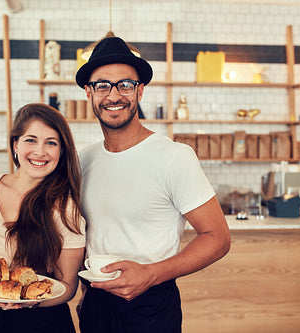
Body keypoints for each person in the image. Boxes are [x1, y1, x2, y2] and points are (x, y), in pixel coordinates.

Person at [75, 37, 231, 333]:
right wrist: (84, 293)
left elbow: (218, 237)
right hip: (96, 303)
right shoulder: (85, 159)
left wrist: (152, 274)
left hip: (151, 306)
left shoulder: (174, 157)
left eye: (125, 84)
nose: (114, 95)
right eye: (102, 85)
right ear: (89, 93)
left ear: (140, 90)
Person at [0, 103, 85, 333]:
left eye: (51, 143)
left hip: (42, 323)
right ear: (15, 144)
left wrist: (32, 300)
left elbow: (68, 285)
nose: (40, 152)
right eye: (31, 140)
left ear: (61, 152)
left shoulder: (66, 207)